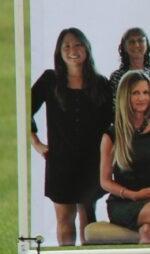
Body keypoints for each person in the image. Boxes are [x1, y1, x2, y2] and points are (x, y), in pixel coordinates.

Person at [30, 28, 113, 246]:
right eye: (66, 46)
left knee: (88, 217)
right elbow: (23, 109)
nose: (72, 50)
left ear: (86, 48)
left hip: (91, 162)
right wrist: (36, 143)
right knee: (65, 218)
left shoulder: (100, 83)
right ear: (59, 51)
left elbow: (111, 123)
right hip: (61, 162)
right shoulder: (50, 80)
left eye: (78, 45)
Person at [99, 71, 150, 244]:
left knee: (147, 232)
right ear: (125, 96)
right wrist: (134, 195)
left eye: (146, 92)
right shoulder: (112, 135)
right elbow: (105, 181)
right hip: (123, 203)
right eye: (136, 93)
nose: (142, 98)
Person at [110, 28, 150, 120]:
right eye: (131, 42)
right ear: (124, 47)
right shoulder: (117, 77)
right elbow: (114, 107)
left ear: (147, 45)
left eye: (140, 40)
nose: (136, 45)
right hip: (127, 126)